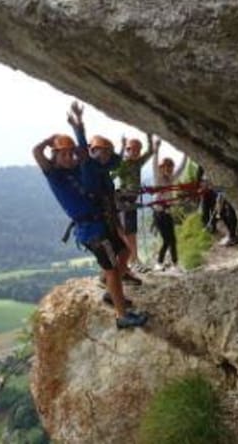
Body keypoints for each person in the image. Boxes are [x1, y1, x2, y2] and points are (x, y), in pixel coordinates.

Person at [32, 105, 147, 330]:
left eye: (69, 153)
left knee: (124, 252)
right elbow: (37, 153)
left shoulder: (78, 167)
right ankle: (121, 316)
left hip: (100, 223)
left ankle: (111, 294)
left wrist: (79, 127)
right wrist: (50, 140)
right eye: (62, 154)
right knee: (112, 269)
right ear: (54, 156)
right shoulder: (54, 174)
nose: (68, 157)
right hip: (90, 230)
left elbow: (85, 154)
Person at [113, 133, 154, 271]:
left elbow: (151, 152)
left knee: (131, 232)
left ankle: (133, 259)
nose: (136, 152)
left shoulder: (137, 162)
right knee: (128, 232)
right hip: (124, 202)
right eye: (133, 149)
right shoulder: (123, 164)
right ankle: (132, 261)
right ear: (127, 150)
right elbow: (111, 175)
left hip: (130, 201)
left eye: (138, 150)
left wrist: (150, 137)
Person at [151, 138, 187, 273]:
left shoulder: (172, 179)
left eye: (170, 167)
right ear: (162, 168)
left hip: (167, 213)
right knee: (168, 239)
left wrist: (186, 154)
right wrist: (156, 149)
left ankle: (170, 264)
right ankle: (164, 263)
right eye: (166, 167)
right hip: (159, 214)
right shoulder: (158, 179)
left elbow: (182, 168)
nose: (169, 169)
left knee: (171, 240)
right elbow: (154, 165)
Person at [197, 165, 238, 246]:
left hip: (221, 189)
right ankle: (231, 235)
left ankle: (232, 235)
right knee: (220, 211)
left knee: (227, 210)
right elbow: (201, 178)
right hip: (215, 189)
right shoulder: (202, 167)